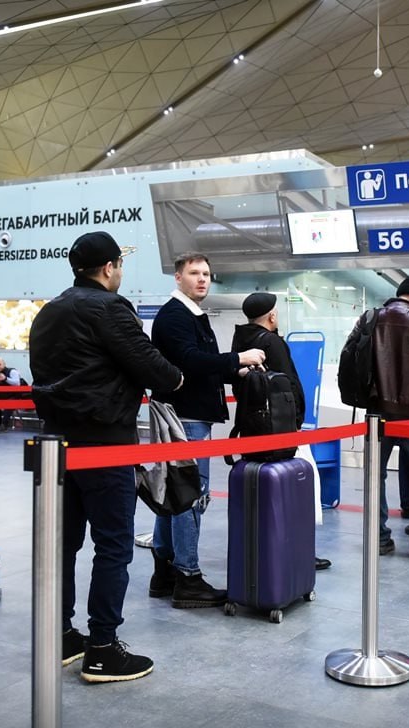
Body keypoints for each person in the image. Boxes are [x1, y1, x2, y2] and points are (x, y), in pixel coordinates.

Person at [29, 231, 183, 682]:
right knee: (113, 545)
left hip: (57, 443)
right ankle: (102, 648)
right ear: (110, 267)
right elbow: (157, 371)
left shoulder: (48, 311)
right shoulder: (110, 308)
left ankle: (59, 637)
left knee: (64, 543)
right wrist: (173, 377)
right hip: (104, 442)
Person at [151, 253, 265, 607]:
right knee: (189, 497)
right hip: (185, 417)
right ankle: (187, 576)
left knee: (174, 493)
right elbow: (191, 361)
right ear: (178, 277)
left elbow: (203, 366)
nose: (203, 279)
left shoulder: (191, 315)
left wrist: (235, 373)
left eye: (207, 274)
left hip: (189, 413)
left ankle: (164, 571)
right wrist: (239, 359)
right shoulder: (175, 316)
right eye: (195, 273)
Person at [344, 276, 409, 558]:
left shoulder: (371, 318)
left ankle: (379, 539)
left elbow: (353, 357)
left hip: (377, 409)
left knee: (375, 475)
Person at [232, 292, 331, 569]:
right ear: (272, 316)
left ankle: (264, 548)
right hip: (281, 427)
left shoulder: (240, 341)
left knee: (262, 490)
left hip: (252, 427)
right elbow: (290, 385)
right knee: (298, 487)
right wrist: (298, 418)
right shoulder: (272, 341)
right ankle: (298, 552)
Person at [0, 356, 22, 431]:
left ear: (4, 364)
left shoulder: (12, 371)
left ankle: (4, 426)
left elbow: (17, 383)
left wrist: (5, 379)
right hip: (1, 395)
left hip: (13, 395)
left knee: (9, 403)